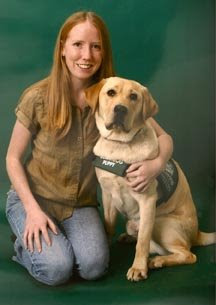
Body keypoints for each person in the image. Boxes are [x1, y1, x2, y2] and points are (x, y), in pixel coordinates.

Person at [5, 11, 173, 286]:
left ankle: (55, 243)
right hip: (35, 199)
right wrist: (32, 211)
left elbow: (165, 138)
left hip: (80, 205)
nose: (86, 55)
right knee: (57, 269)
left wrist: (156, 165)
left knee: (94, 267)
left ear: (103, 53)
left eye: (95, 47)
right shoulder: (37, 97)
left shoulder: (113, 94)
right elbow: (12, 157)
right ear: (62, 49)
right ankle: (24, 245)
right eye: (77, 45)